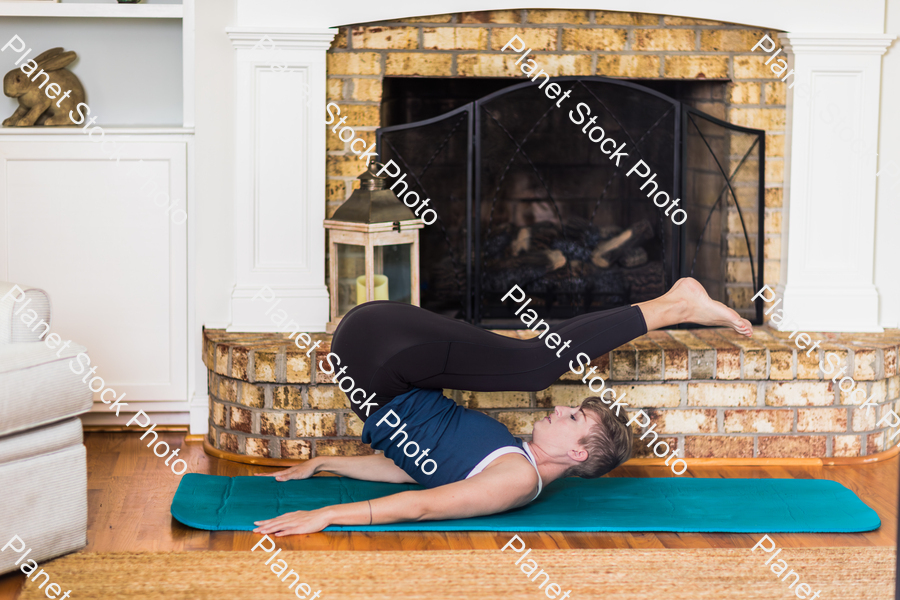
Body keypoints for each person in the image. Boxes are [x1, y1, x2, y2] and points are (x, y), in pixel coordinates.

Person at [253, 277, 752, 536]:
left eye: (573, 418)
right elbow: (423, 475)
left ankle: (679, 304)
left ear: (579, 455)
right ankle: (673, 303)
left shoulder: (516, 480)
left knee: (535, 365)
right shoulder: (511, 458)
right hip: (381, 353)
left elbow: (419, 491)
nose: (559, 410)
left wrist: (329, 505)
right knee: (535, 363)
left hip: (378, 358)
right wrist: (326, 470)